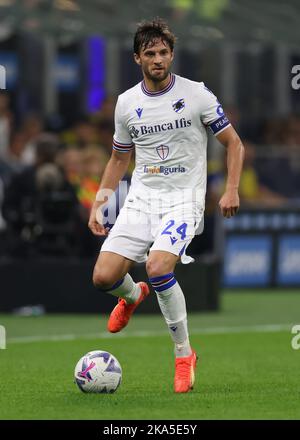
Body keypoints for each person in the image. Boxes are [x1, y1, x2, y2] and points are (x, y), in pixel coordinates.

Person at [88, 18, 245, 393]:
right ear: (137, 58)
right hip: (142, 199)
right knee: (103, 277)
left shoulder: (197, 95)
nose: (158, 59)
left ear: (171, 54)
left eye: (163, 52)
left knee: (158, 266)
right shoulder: (126, 104)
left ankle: (183, 354)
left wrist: (232, 189)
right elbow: (118, 160)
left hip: (183, 200)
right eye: (150, 54)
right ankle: (132, 294)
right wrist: (100, 202)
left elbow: (234, 144)